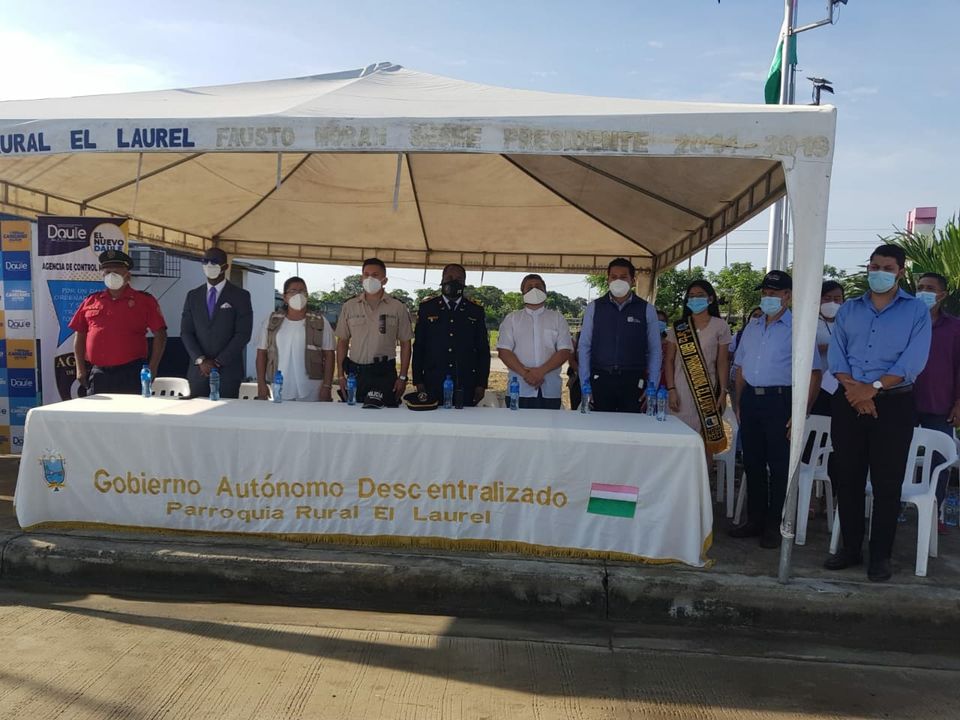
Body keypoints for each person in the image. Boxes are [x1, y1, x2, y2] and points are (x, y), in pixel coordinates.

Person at [825, 244, 932, 582]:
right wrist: (856, 392)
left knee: (887, 483)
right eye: (874, 266)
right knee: (848, 478)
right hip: (849, 400)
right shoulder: (849, 309)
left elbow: (912, 361)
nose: (879, 273)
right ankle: (850, 549)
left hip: (894, 403)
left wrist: (871, 388)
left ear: (900, 271)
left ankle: (881, 556)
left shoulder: (916, 311)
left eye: (887, 268)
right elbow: (837, 356)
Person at [730, 270, 823, 549]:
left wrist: (801, 412)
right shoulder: (753, 326)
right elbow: (741, 367)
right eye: (765, 293)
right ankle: (755, 520)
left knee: (780, 466)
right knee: (752, 463)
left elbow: (814, 373)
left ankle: (775, 524)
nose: (767, 297)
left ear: (787, 296)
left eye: (774, 293)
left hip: (781, 401)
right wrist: (738, 402)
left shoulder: (798, 328)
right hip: (751, 400)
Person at [70, 250, 167, 395]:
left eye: (116, 272)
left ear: (127, 275)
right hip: (99, 373)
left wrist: (153, 368)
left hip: (131, 372)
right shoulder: (91, 301)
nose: (111, 276)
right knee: (97, 410)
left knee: (129, 410)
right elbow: (80, 334)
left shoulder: (144, 301)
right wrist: (79, 368)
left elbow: (160, 334)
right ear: (103, 275)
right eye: (107, 272)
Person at [578, 258, 662, 413]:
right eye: (614, 277)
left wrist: (652, 386)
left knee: (632, 426)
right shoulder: (594, 307)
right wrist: (585, 383)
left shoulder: (647, 309)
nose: (618, 281)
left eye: (623, 277)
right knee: (599, 425)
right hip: (600, 379)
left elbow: (655, 349)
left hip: (634, 380)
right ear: (608, 280)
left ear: (633, 280)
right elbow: (584, 346)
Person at [912, 272, 960, 529]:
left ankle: (933, 514)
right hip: (902, 402)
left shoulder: (955, 328)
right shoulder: (905, 322)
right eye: (920, 287)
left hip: (940, 404)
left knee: (938, 462)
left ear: (943, 294)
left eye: (930, 288)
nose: (923, 292)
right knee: (895, 456)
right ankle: (892, 507)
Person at [335, 258, 413, 406]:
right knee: (353, 415)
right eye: (366, 274)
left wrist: (403, 377)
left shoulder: (397, 307)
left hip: (384, 374)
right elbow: (342, 341)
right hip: (356, 374)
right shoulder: (349, 306)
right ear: (361, 278)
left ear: (384, 280)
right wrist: (340, 375)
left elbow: (405, 343)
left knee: (385, 416)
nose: (370, 278)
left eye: (375, 275)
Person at [180, 248, 253, 399]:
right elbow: (186, 332)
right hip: (199, 372)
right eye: (205, 261)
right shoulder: (193, 296)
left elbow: (243, 334)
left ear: (225, 266)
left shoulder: (241, 296)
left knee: (226, 413)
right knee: (195, 411)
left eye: (214, 262)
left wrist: (218, 362)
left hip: (228, 373)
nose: (209, 265)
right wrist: (201, 360)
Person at [413, 264, 490, 405]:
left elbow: (483, 350)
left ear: (464, 282)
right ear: (442, 280)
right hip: (433, 379)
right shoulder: (427, 308)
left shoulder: (475, 310)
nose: (453, 281)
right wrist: (418, 380)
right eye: (449, 278)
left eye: (459, 279)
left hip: (466, 381)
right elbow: (419, 347)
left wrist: (481, 383)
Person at [663, 280, 732, 435]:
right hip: (679, 390)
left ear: (710, 299)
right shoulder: (678, 327)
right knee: (677, 435)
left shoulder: (720, 326)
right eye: (691, 296)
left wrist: (723, 391)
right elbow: (669, 360)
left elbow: (722, 362)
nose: (695, 299)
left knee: (703, 436)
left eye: (700, 295)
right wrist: (671, 389)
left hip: (707, 391)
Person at [497, 274, 573, 409]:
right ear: (523, 293)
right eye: (529, 287)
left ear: (545, 291)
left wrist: (540, 372)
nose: (534, 290)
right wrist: (526, 374)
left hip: (550, 390)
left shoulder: (557, 318)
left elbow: (564, 351)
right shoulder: (512, 319)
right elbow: (504, 351)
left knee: (549, 423)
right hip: (518, 389)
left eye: (538, 286)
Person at [255, 277, 334, 401]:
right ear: (285, 297)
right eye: (293, 291)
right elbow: (261, 353)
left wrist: (327, 386)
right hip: (279, 387)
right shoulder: (271, 321)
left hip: (313, 389)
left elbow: (329, 355)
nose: (298, 295)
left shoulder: (320, 321)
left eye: (302, 291)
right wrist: (261, 384)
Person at [811, 281, 844, 416]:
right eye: (827, 298)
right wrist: (827, 348)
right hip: (816, 384)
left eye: (837, 299)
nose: (832, 303)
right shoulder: (810, 322)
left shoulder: (847, 322)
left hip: (842, 383)